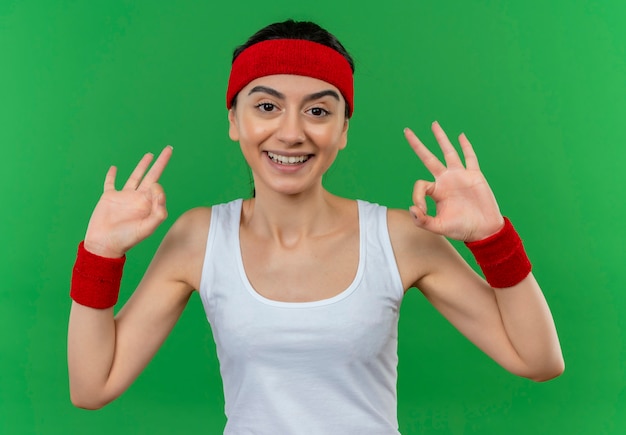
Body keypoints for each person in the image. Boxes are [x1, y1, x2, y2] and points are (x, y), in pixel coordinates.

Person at [67, 19, 564, 434]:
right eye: (266, 106)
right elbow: (92, 387)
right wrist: (100, 253)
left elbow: (538, 360)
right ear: (234, 120)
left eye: (319, 110)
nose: (291, 131)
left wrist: (491, 237)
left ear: (343, 130)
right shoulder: (199, 238)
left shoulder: (400, 237)